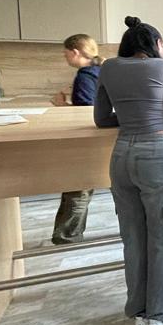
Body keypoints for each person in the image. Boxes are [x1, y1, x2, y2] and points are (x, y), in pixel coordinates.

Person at [94, 16, 163, 325]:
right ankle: (161, 315)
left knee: (133, 237)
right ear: (156, 44)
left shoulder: (108, 67)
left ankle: (139, 312)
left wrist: (129, 115)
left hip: (121, 156)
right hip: (157, 154)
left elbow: (101, 118)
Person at [51, 34, 102, 245]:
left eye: (66, 54)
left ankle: (67, 237)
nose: (65, 58)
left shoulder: (85, 76)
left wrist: (62, 105)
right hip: (103, 137)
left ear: (75, 52)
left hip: (87, 139)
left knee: (78, 187)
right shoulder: (100, 70)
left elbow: (86, 112)